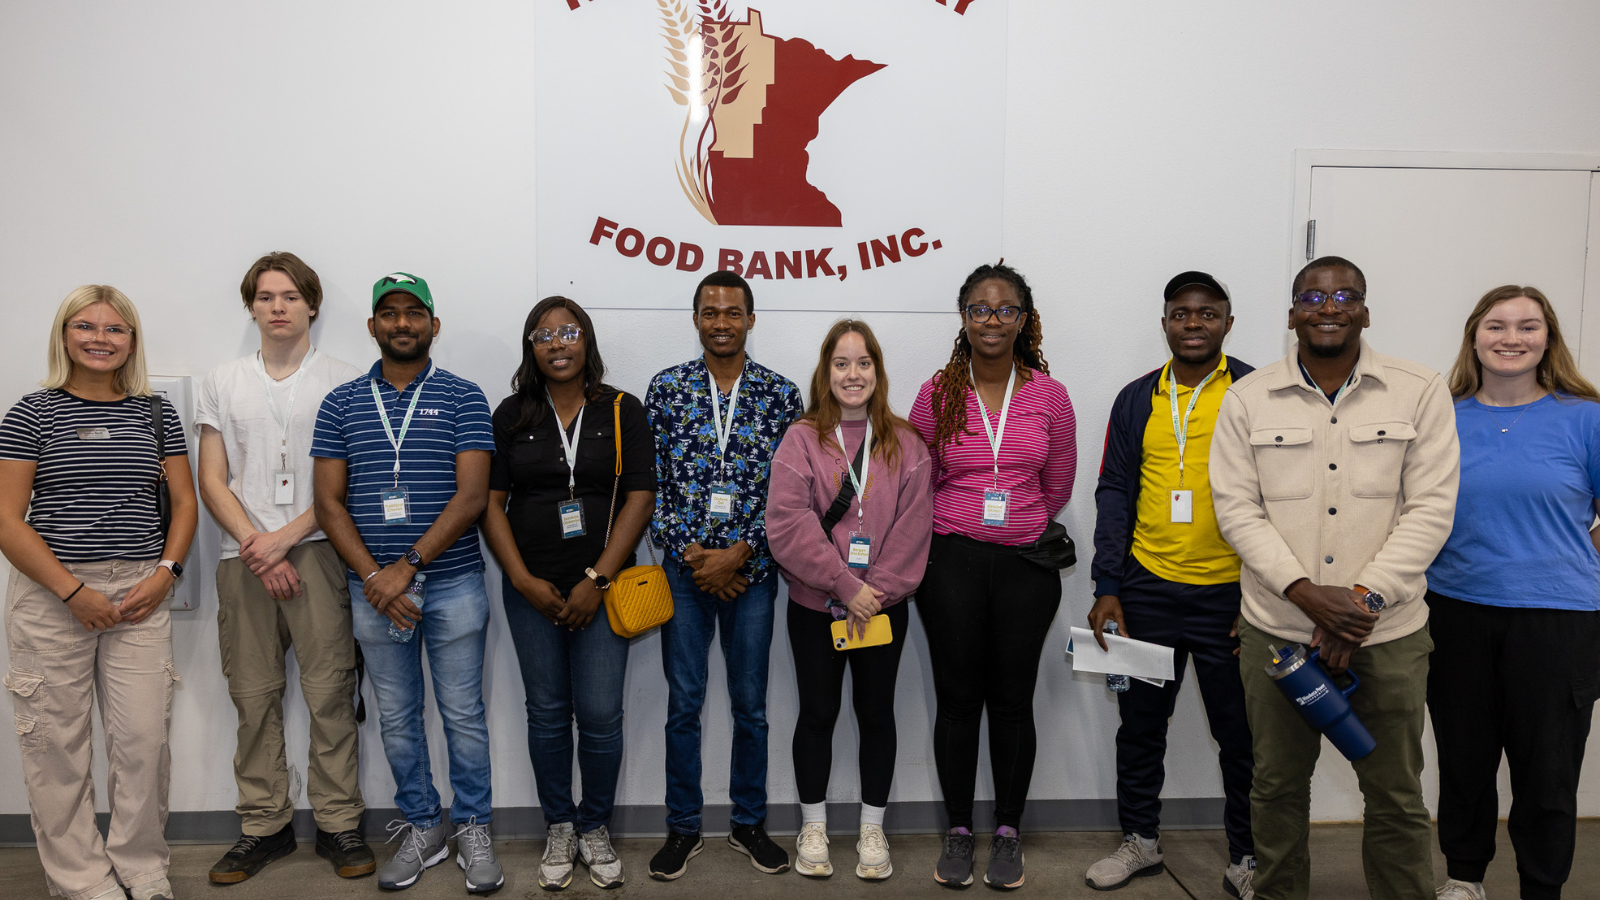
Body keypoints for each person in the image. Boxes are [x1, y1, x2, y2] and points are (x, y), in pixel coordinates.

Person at [1209, 256, 1459, 900]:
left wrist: (1361, 602)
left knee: (1396, 793)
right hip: (1278, 633)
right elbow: (1236, 509)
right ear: (1292, 313)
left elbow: (1431, 508)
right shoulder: (1247, 398)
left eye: (1345, 296)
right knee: (1276, 789)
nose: (1329, 307)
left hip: (1388, 633)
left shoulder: (1419, 390)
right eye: (1313, 297)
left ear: (1365, 312)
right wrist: (1306, 595)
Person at [0, 285, 198, 900]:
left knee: (144, 740)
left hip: (141, 592)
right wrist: (72, 592)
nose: (100, 339)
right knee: (55, 745)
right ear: (64, 336)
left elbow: (184, 503)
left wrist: (165, 573)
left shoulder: (156, 413)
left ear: (132, 342)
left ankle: (142, 866)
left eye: (115, 329)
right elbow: (6, 519)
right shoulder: (31, 413)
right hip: (51, 593)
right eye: (85, 326)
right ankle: (80, 879)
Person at [310, 273, 501, 894]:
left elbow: (472, 496)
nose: (401, 323)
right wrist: (376, 577)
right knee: (396, 717)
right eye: (388, 313)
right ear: (372, 326)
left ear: (433, 325)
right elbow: (328, 503)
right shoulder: (340, 403)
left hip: (453, 584)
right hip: (373, 592)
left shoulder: (464, 396)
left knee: (463, 715)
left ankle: (472, 826)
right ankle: (423, 827)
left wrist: (406, 567)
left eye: (413, 313)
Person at [195, 252, 372, 884]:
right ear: (251, 306)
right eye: (266, 296)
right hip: (240, 557)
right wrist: (257, 545)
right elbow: (211, 479)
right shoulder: (222, 380)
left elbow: (348, 483)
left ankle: (338, 822)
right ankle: (263, 828)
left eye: (291, 296)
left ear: (312, 305)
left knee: (330, 694)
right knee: (253, 697)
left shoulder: (346, 379)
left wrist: (285, 540)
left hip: (320, 549)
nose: (278, 307)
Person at [1426, 286, 1600, 900]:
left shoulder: (1586, 417)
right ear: (1474, 337)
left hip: (1558, 618)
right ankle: (1464, 878)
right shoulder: (1440, 418)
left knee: (1548, 770)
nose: (1512, 338)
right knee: (1463, 760)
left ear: (1548, 339)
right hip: (1454, 610)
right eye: (1497, 325)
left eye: (1528, 326)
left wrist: (1574, 560)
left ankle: (1542, 888)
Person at [907, 261, 1077, 890]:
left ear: (1023, 319)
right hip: (950, 561)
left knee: (1012, 700)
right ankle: (958, 829)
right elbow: (918, 478)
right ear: (964, 317)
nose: (992, 320)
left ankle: (1007, 830)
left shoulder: (1049, 395)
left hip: (1025, 568)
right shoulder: (937, 392)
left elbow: (1057, 482)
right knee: (957, 700)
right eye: (980, 308)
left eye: (1006, 309)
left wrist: (1016, 526)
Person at [1085, 271, 1256, 896]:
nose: (1193, 323)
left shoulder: (1255, 392)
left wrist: (1261, 596)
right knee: (1140, 728)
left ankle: (1248, 855)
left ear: (1228, 323)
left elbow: (1280, 497)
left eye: (1207, 313)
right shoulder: (1137, 398)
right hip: (1147, 592)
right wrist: (1108, 585)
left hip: (1230, 597)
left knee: (1240, 735)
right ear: (1164, 323)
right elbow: (1114, 490)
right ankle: (1141, 841)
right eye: (1181, 313)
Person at [481, 297, 656, 890]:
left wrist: (597, 580)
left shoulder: (622, 410)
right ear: (531, 346)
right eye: (544, 334)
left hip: (604, 590)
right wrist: (521, 579)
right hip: (532, 591)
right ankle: (560, 824)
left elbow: (640, 497)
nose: (557, 343)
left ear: (587, 341)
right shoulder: (511, 414)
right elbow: (491, 504)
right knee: (548, 713)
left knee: (601, 715)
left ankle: (595, 826)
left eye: (569, 332)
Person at [643, 270, 804, 880]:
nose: (721, 322)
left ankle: (748, 823)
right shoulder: (666, 389)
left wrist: (742, 553)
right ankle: (683, 827)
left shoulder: (781, 395)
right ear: (695, 319)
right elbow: (652, 487)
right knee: (683, 705)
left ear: (750, 320)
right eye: (710, 312)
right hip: (685, 574)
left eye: (733, 312)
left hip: (753, 574)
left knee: (751, 707)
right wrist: (696, 558)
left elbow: (791, 493)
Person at [767, 320, 934, 882]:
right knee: (817, 713)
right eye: (841, 363)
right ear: (826, 372)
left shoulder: (907, 443)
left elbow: (915, 529)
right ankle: (813, 826)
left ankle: (872, 827)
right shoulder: (801, 440)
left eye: (864, 363)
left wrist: (873, 592)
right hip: (815, 606)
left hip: (883, 609)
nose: (853, 374)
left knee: (876, 714)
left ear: (878, 372)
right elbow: (786, 524)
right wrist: (845, 586)